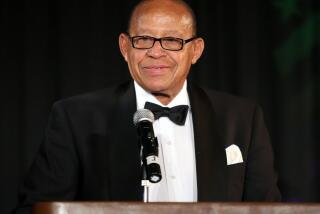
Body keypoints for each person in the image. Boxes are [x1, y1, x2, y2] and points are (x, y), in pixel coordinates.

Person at [14, 0, 281, 213]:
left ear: (196, 50)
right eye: (143, 39)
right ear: (124, 47)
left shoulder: (241, 119)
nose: (156, 52)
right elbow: (38, 209)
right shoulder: (76, 118)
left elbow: (267, 210)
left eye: (172, 41)